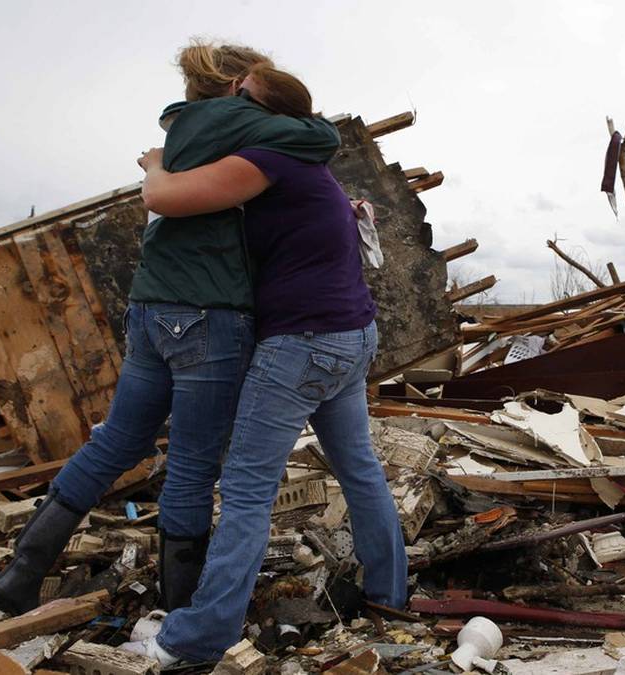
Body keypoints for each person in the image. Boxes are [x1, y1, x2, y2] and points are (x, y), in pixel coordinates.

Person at [0, 41, 341, 617]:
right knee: (196, 462)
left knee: (116, 442)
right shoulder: (240, 119)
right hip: (210, 311)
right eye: (255, 81)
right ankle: (180, 608)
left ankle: (20, 574)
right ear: (234, 86)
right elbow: (325, 138)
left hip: (151, 305)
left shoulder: (179, 125)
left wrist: (154, 162)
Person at [122, 65, 407, 665]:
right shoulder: (309, 161)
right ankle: (390, 595)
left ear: (256, 108)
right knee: (360, 471)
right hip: (351, 335)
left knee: (248, 490)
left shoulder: (266, 159)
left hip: (302, 343)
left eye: (239, 98)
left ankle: (193, 639)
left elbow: (166, 197)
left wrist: (154, 161)